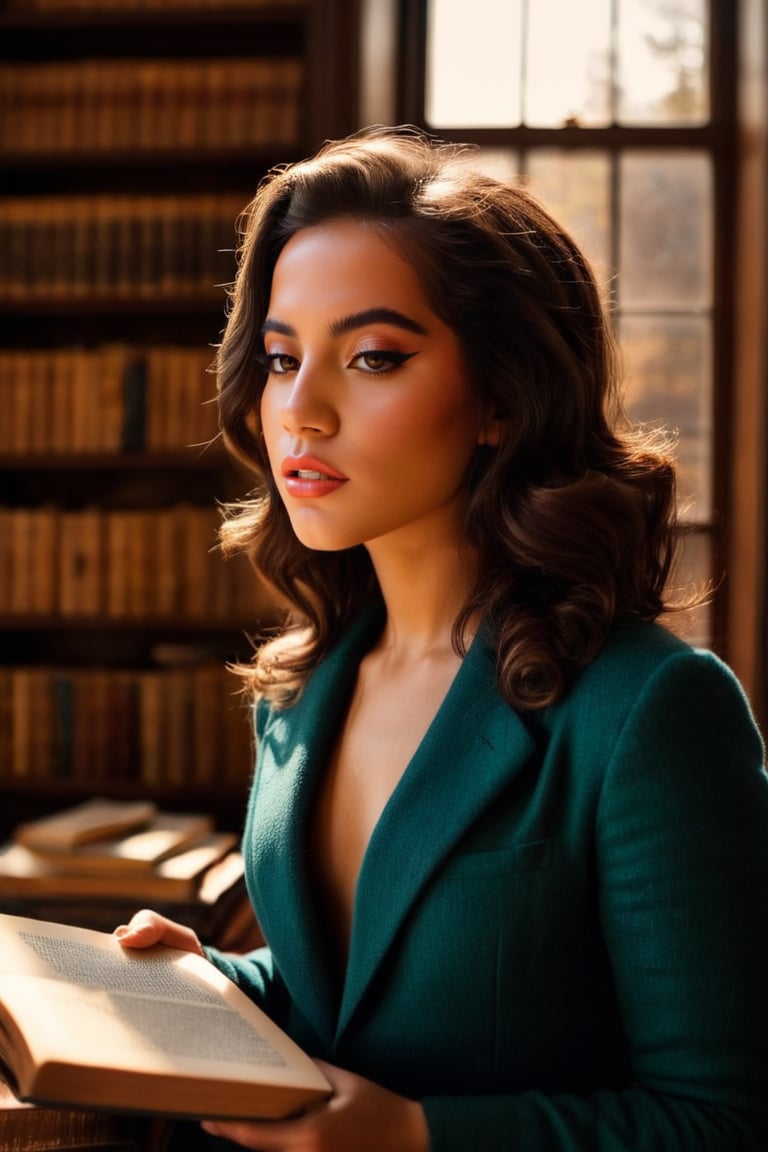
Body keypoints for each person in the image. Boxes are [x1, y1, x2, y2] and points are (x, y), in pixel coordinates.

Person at [115, 125, 768, 1150]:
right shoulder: (301, 687)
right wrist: (208, 984)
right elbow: (353, 995)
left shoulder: (649, 710)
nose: (301, 412)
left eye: (374, 357)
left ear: (501, 397)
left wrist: (420, 1137)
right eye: (282, 359)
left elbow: (727, 1121)